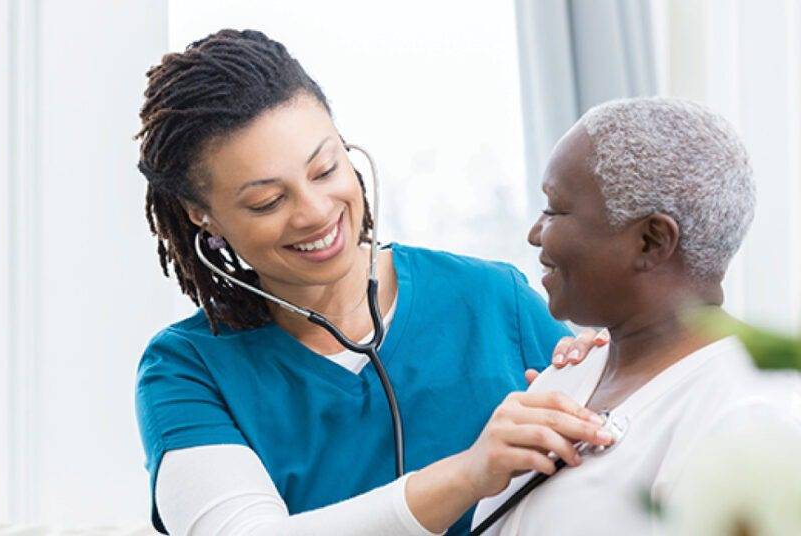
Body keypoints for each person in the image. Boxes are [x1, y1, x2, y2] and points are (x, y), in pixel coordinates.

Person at [134, 29, 609, 536]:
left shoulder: (494, 302)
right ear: (201, 215)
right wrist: (471, 473)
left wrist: (610, 372)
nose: (315, 213)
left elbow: (624, 475)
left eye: (325, 168)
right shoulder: (187, 370)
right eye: (268, 201)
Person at [471, 97, 801, 535]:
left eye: (555, 209)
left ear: (650, 241)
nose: (535, 233)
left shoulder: (752, 418)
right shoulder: (568, 375)